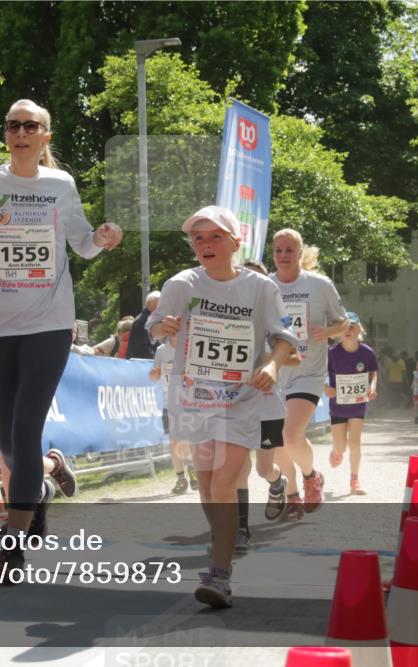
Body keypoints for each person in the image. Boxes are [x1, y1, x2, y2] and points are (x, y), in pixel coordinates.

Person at [0, 98, 121, 578]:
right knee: (7, 439)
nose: (20, 132)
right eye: (12, 124)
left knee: (24, 428)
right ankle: (43, 473)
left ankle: (11, 544)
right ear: (6, 133)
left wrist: (101, 238)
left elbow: (82, 243)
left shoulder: (60, 185)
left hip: (49, 323)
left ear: (46, 137)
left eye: (30, 125)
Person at [147, 205, 299, 609]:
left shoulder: (260, 288)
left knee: (223, 483)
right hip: (194, 397)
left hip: (241, 398)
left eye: (215, 237)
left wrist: (270, 363)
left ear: (235, 242)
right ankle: (223, 547)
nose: (206, 245)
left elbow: (284, 337)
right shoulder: (182, 283)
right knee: (207, 482)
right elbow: (155, 325)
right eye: (198, 238)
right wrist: (165, 327)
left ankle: (220, 574)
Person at [270, 229, 349, 520]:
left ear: (300, 254)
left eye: (289, 250)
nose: (283, 256)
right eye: (278, 250)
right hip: (276, 372)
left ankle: (310, 476)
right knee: (276, 440)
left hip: (309, 371)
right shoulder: (266, 285)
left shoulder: (319, 285)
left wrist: (326, 331)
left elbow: (344, 322)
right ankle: (292, 496)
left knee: (291, 435)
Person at [235, 259, 295, 553]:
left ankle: (277, 483)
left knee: (262, 468)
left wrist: (270, 360)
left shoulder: (276, 317)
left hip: (269, 405)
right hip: (236, 402)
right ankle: (241, 528)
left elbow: (295, 357)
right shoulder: (229, 315)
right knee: (238, 467)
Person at [324, 313, 378, 495]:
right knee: (341, 447)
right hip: (337, 405)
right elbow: (319, 373)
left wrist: (372, 387)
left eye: (352, 326)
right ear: (338, 332)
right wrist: (325, 387)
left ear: (359, 330)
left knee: (355, 443)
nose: (348, 330)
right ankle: (336, 451)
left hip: (357, 405)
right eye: (344, 327)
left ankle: (354, 480)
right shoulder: (330, 353)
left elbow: (373, 373)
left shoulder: (367, 353)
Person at [150, 333, 197, 494]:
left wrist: (187, 376)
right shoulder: (161, 351)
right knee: (174, 441)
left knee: (188, 439)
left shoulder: (191, 347)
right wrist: (155, 373)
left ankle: (192, 468)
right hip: (168, 403)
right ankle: (181, 478)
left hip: (188, 401)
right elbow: (154, 377)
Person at [127, 290, 161, 359]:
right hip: (141, 364)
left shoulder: (144, 319)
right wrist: (155, 358)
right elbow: (141, 347)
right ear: (154, 304)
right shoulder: (143, 321)